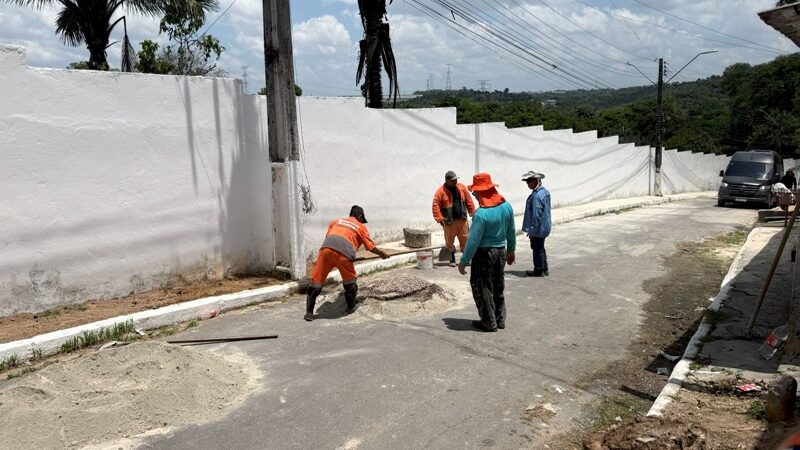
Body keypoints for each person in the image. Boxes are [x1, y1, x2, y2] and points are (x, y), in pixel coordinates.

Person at [304, 205, 390, 321]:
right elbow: (370, 247)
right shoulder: (360, 227)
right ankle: (351, 307)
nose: (362, 222)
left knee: (316, 280)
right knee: (350, 282)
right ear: (360, 216)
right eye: (362, 220)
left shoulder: (335, 222)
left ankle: (309, 313)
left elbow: (331, 238)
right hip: (343, 255)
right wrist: (382, 254)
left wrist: (346, 253)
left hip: (325, 250)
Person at [458, 173, 516, 332]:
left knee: (483, 287)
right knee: (498, 285)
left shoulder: (481, 214)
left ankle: (488, 322)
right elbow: (511, 231)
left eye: (475, 192)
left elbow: (473, 241)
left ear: (481, 192)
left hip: (484, 255)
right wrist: (511, 250)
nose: (474, 195)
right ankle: (499, 319)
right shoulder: (506, 206)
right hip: (501, 252)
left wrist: (464, 261)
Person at [432, 170, 476, 266]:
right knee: (449, 240)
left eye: (456, 179)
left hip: (462, 219)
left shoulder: (462, 187)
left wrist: (472, 212)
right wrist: (440, 219)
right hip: (449, 221)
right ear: (447, 180)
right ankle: (452, 258)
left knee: (465, 238)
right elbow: (435, 205)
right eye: (453, 180)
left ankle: (465, 259)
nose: (455, 181)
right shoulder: (440, 191)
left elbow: (468, 199)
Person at [521, 171, 552, 277]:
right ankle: (544, 268)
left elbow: (536, 215)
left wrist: (532, 230)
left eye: (529, 181)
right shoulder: (545, 192)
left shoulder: (537, 196)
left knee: (537, 248)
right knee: (540, 247)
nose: (528, 184)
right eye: (527, 182)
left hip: (538, 228)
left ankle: (538, 270)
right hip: (545, 226)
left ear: (536, 181)